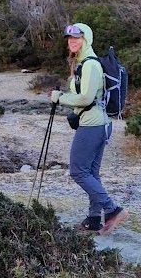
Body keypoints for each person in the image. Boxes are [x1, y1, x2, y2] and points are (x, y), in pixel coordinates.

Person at [51, 22, 128, 234]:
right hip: (98, 124)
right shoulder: (83, 63)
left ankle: (112, 210)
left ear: (87, 39)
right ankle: (94, 219)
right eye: (69, 38)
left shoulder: (91, 64)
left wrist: (60, 98)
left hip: (93, 125)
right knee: (91, 173)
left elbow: (85, 98)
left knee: (78, 171)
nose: (72, 41)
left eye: (77, 37)